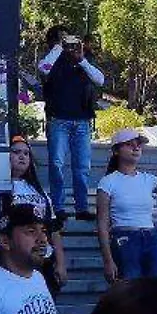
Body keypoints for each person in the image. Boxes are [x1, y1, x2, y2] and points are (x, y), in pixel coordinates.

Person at [0, 136, 69, 296]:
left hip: (42, 260)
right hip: (11, 261)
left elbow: (53, 229)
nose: (22, 156)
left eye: (26, 153)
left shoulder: (39, 191)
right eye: (16, 152)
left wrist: (60, 263)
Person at [40, 32, 104, 220]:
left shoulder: (85, 61)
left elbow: (100, 80)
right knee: (57, 164)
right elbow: (43, 69)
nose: (69, 45)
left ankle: (81, 208)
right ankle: (58, 208)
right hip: (58, 119)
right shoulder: (52, 60)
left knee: (82, 166)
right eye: (64, 40)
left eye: (72, 41)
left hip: (82, 121)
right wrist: (58, 49)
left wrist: (81, 59)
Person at [95, 128, 157, 281]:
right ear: (116, 151)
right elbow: (102, 223)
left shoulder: (150, 180)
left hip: (151, 237)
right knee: (130, 291)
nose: (136, 147)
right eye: (129, 144)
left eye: (138, 144)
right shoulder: (108, 182)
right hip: (124, 239)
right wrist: (108, 260)